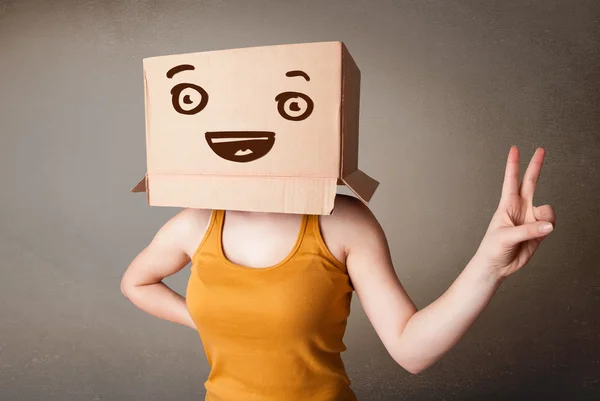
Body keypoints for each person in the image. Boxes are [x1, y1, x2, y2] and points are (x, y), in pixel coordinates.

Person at [120, 146, 556, 400]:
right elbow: (135, 283)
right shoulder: (193, 224)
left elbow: (412, 350)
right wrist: (217, 321)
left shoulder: (343, 220)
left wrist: (489, 264)